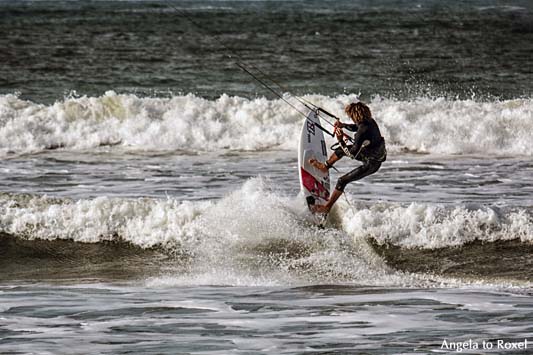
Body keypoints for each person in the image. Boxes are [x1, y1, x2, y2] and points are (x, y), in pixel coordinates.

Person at [309, 102, 386, 214]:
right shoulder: (369, 122)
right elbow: (356, 127)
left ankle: (327, 207)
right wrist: (343, 125)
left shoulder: (362, 132)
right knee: (340, 151)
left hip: (372, 164)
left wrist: (340, 140)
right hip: (371, 154)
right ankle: (324, 166)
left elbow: (352, 154)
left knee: (342, 181)